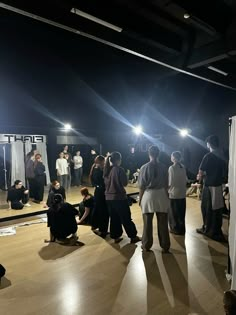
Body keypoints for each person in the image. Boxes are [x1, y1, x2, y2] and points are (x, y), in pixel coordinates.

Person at [138, 145, 170, 252]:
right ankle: (165, 246)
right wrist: (167, 197)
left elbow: (142, 186)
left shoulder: (144, 167)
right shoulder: (164, 167)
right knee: (163, 223)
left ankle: (146, 245)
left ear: (149, 154)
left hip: (148, 195)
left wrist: (140, 199)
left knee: (147, 223)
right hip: (161, 194)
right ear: (158, 154)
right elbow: (166, 185)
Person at [104, 151, 140, 243]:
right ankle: (133, 236)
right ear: (118, 160)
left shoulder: (107, 170)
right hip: (119, 197)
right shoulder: (119, 170)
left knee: (114, 218)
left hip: (108, 198)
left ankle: (115, 236)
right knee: (126, 218)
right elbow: (124, 183)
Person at [196, 135, 227, 241]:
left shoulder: (208, 156)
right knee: (217, 210)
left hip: (209, 187)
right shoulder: (222, 156)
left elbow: (200, 172)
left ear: (209, 144)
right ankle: (216, 230)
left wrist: (199, 178)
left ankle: (208, 229)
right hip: (218, 186)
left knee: (207, 208)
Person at [90, 155, 109, 238]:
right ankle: (103, 231)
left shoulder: (94, 167)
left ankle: (94, 225)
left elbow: (91, 178)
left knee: (97, 208)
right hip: (102, 191)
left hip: (97, 191)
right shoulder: (101, 169)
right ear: (101, 161)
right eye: (104, 161)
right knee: (104, 211)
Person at [168, 151, 187, 235]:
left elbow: (170, 182)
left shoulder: (172, 168)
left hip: (174, 193)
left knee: (174, 213)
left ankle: (175, 229)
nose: (171, 158)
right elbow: (185, 180)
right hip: (182, 193)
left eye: (172, 156)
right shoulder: (183, 167)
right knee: (181, 213)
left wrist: (167, 190)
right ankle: (182, 229)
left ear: (174, 158)